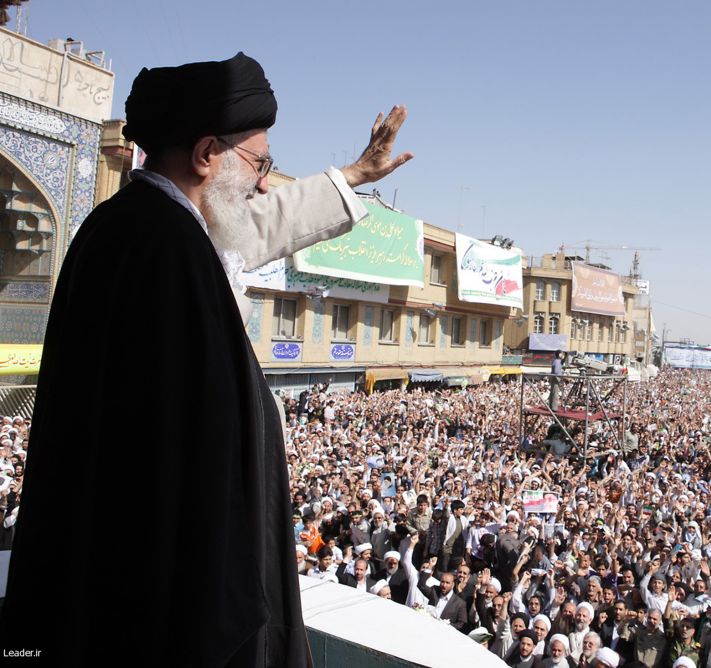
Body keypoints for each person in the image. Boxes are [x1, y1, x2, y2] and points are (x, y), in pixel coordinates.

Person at [0, 52, 411, 666]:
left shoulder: (158, 229)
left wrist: (352, 174)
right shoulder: (167, 255)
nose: (265, 181)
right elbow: (177, 481)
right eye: (259, 162)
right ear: (204, 155)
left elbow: (260, 223)